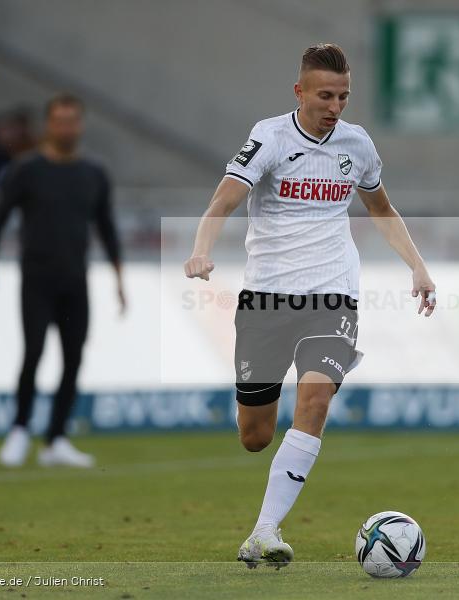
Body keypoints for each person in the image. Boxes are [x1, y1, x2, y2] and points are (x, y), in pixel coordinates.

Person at [184, 43, 436, 568]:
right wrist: (201, 249)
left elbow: (381, 209)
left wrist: (417, 264)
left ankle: (264, 532)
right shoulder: (269, 137)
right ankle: (265, 482)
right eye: (325, 95)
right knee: (255, 436)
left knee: (316, 401)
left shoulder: (356, 144)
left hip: (333, 295)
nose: (335, 106)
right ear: (299, 92)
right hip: (268, 298)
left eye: (343, 96)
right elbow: (225, 197)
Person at [0, 93, 125, 468]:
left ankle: (56, 438)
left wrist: (119, 276)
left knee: (74, 359)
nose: (66, 127)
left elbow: (106, 227)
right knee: (33, 354)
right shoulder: (26, 170)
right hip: (37, 279)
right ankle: (19, 428)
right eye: (59, 120)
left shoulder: (95, 173)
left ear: (81, 124)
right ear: (49, 124)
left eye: (72, 120)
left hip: (76, 280)